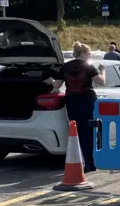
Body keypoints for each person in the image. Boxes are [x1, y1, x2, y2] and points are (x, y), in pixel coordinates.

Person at [44, 42, 106, 173]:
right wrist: (103, 70)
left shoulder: (65, 67)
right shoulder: (89, 66)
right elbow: (101, 81)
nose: (90, 56)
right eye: (89, 54)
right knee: (90, 131)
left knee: (77, 131)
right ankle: (90, 163)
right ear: (83, 54)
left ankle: (81, 160)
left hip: (72, 101)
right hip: (88, 100)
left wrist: (50, 81)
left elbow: (57, 85)